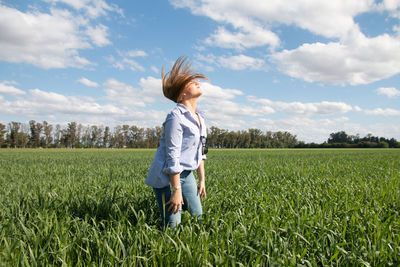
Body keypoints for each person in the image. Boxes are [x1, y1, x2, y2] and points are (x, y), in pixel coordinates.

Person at [145, 56, 209, 229]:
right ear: (182, 94)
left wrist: (202, 179)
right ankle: (165, 252)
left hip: (187, 174)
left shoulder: (200, 118)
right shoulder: (175, 117)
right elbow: (172, 157)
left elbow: (201, 150)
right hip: (167, 176)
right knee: (173, 223)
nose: (196, 82)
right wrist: (176, 190)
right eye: (190, 82)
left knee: (198, 217)